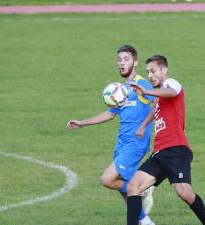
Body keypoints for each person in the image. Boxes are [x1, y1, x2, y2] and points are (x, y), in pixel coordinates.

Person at [67, 45, 156, 225]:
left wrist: (144, 125)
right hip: (122, 143)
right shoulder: (121, 89)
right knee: (122, 187)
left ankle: (141, 189)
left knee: (107, 179)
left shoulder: (142, 84)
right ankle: (145, 221)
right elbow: (110, 113)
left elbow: (157, 105)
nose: (122, 63)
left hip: (136, 143)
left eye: (126, 59)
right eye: (119, 60)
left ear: (135, 62)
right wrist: (82, 123)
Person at [127, 55, 205, 225]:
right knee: (133, 187)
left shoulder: (172, 84)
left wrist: (145, 91)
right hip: (159, 153)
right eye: (148, 72)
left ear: (164, 70)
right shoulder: (159, 96)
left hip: (176, 150)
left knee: (184, 192)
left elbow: (171, 92)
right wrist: (143, 125)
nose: (150, 76)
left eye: (153, 71)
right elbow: (156, 107)